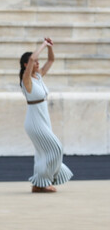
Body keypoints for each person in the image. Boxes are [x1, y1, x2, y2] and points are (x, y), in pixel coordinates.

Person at [19, 38, 72, 193]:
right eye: (34, 63)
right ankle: (44, 180)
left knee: (42, 153)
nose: (37, 64)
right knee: (56, 148)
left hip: (43, 117)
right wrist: (42, 44)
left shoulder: (39, 76)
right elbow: (33, 58)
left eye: (37, 63)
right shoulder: (26, 79)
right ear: (26, 65)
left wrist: (49, 47)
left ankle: (39, 184)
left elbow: (51, 59)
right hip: (34, 120)